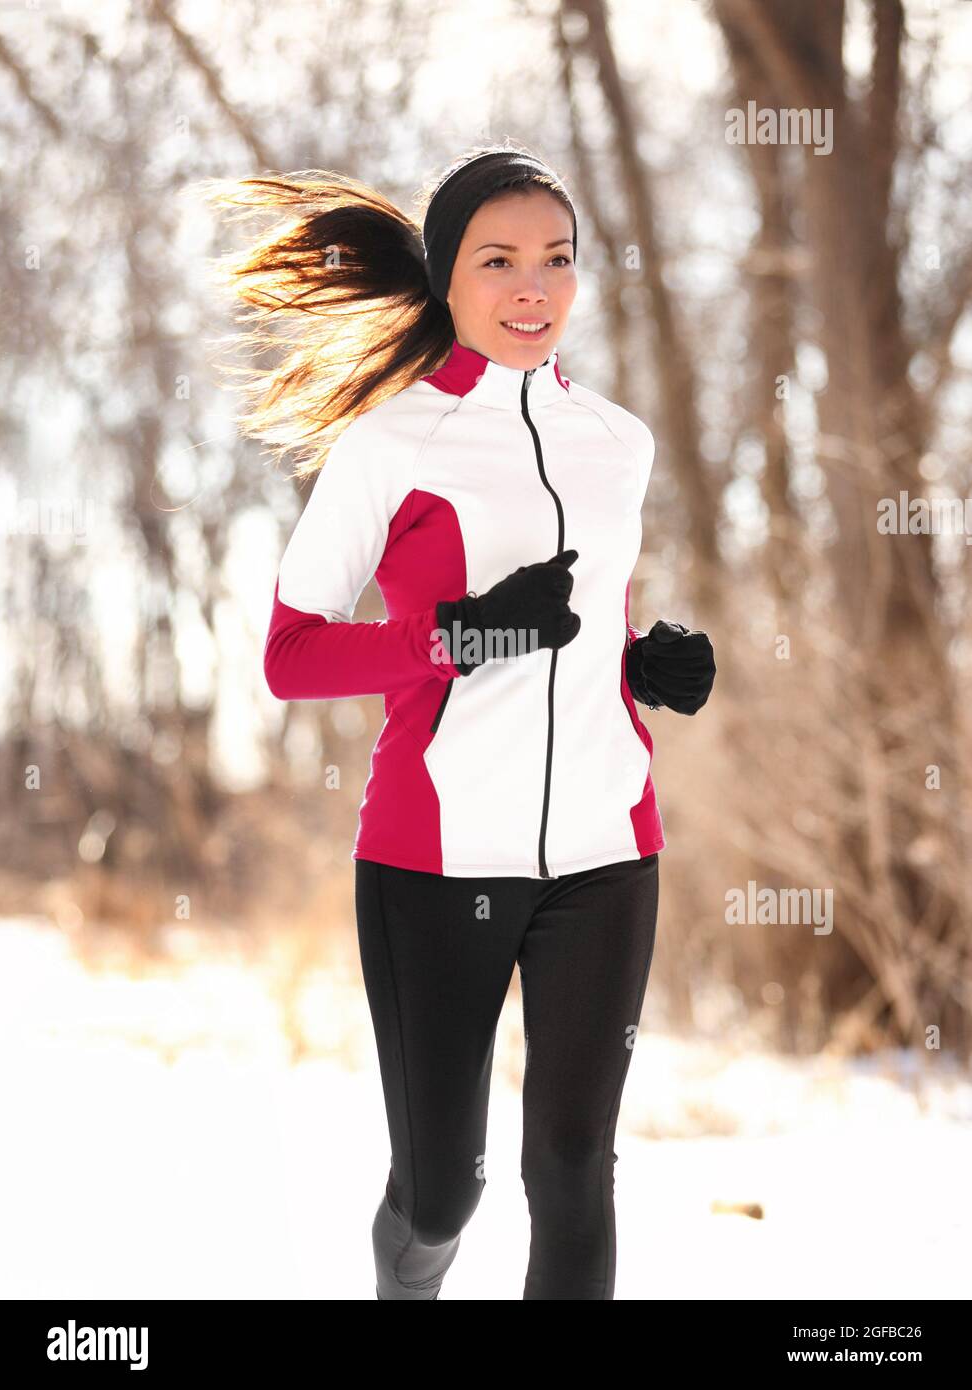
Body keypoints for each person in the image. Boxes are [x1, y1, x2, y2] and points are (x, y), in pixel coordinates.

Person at [207, 142, 715, 1299]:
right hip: (435, 858)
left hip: (607, 848)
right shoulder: (390, 447)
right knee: (446, 1190)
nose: (534, 287)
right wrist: (456, 636)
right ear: (448, 280)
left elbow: (583, 635)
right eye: (500, 261)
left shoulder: (617, 444)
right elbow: (290, 658)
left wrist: (649, 663)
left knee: (577, 1166)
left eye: (557, 260)